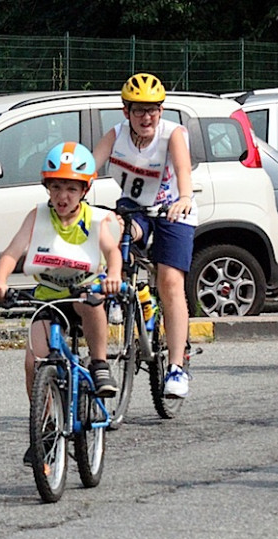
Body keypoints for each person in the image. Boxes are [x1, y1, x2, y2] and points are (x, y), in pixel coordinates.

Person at [0, 141, 123, 462]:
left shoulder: (94, 221)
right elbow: (11, 252)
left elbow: (112, 252)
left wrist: (114, 274)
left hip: (82, 293)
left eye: (71, 189)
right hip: (48, 298)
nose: (63, 196)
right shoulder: (37, 217)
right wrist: (0, 280)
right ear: (47, 187)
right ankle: (45, 425)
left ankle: (100, 363)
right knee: (34, 363)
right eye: (56, 187)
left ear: (84, 190)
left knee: (91, 303)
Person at [92, 72, 196, 399]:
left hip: (172, 210)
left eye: (153, 109)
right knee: (116, 234)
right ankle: (124, 296)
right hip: (135, 208)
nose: (146, 116)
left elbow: (183, 173)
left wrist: (184, 198)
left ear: (161, 110)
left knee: (170, 281)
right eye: (139, 110)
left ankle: (177, 367)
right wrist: (71, 189)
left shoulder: (172, 135)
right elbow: (89, 169)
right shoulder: (115, 135)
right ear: (126, 111)